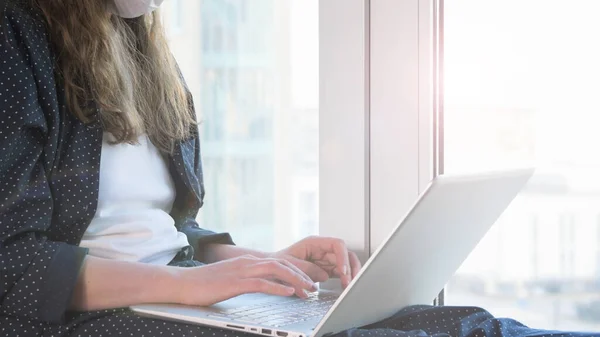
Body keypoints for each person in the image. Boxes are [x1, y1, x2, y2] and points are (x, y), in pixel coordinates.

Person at [0, 1, 596, 336]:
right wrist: (187, 286)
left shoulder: (140, 49)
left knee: (467, 325)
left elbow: (160, 230)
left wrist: (259, 263)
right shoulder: (16, 35)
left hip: (170, 297)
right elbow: (12, 265)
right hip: (87, 319)